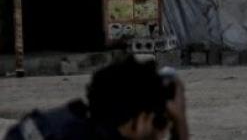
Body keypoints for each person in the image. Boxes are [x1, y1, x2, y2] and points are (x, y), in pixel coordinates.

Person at [4, 56, 189, 140]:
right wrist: (180, 123)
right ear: (139, 120)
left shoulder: (68, 121)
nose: (161, 134)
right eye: (158, 122)